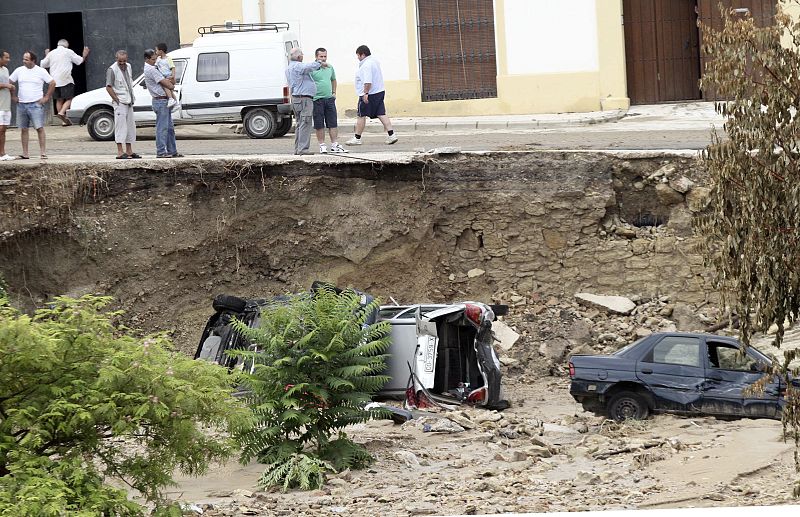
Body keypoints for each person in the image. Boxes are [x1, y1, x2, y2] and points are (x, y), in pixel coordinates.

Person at [346, 45, 397, 146]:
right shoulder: (374, 61)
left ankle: (357, 138)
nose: (357, 58)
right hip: (379, 91)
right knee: (381, 113)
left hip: (370, 94)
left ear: (362, 54)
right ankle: (392, 135)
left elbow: (368, 81)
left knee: (361, 115)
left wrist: (365, 93)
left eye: (358, 55)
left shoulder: (366, 65)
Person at [9, 51, 55, 159]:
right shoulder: (19, 70)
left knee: (39, 128)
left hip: (36, 104)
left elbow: (52, 83)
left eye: (26, 59)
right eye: (23, 59)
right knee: (24, 129)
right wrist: (13, 96)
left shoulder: (41, 71)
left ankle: (43, 152)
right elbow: (10, 82)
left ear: (33, 60)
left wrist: (46, 97)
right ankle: (25, 153)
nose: (24, 61)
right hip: (22, 104)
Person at [285, 47, 326, 155]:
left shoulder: (289, 68)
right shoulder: (298, 66)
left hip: (296, 98)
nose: (303, 56)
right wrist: (320, 62)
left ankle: (298, 148)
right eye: (302, 55)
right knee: (305, 123)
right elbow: (310, 66)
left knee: (299, 123)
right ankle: (303, 149)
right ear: (299, 57)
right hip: (304, 99)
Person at [143, 48, 182, 158]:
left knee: (169, 128)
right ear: (147, 59)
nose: (155, 61)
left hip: (163, 100)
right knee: (162, 128)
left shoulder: (153, 67)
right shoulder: (151, 70)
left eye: (155, 59)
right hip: (160, 101)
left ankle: (172, 151)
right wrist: (171, 85)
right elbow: (166, 83)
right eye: (153, 59)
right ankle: (161, 151)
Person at [40, 39, 90, 126]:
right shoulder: (68, 51)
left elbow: (43, 64)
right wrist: (84, 55)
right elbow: (79, 61)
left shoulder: (52, 53)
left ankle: (63, 121)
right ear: (66, 45)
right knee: (70, 98)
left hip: (54, 81)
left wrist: (47, 55)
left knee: (59, 100)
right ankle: (62, 112)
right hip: (65, 79)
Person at [310, 48, 346, 154]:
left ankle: (334, 144)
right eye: (321, 56)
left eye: (325, 56)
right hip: (317, 100)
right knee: (319, 124)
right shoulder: (312, 68)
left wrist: (334, 92)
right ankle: (322, 145)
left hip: (329, 99)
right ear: (316, 57)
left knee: (332, 123)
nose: (323, 58)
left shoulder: (330, 67)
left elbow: (333, 80)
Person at [105, 50, 140, 159]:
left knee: (130, 126)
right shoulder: (112, 70)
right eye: (120, 61)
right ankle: (120, 151)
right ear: (116, 59)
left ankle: (129, 151)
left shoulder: (128, 66)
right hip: (120, 101)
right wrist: (116, 99)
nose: (122, 63)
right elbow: (108, 87)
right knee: (120, 126)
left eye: (124, 61)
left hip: (129, 100)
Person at [0, 49, 15, 161]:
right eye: (6, 57)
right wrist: (6, 85)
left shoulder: (5, 69)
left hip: (6, 103)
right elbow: (5, 85)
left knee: (4, 129)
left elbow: (8, 85)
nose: (8, 60)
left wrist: (11, 89)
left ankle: (3, 153)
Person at [155, 43, 179, 108]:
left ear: (161, 51)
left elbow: (173, 67)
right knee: (170, 90)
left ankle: (171, 99)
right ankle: (176, 103)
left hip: (168, 76)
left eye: (156, 50)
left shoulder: (168, 59)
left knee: (165, 86)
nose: (156, 52)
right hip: (162, 76)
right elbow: (155, 66)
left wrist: (173, 76)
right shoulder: (158, 59)